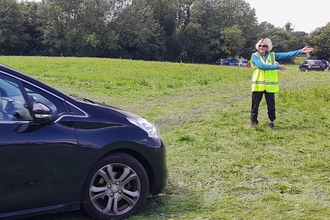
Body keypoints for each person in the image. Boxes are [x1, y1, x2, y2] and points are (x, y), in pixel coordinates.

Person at [250, 38, 313, 130]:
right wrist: (277, 66)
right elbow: (261, 66)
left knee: (271, 106)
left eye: (264, 46)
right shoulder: (254, 56)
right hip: (258, 85)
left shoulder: (272, 55)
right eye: (260, 45)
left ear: (268, 47)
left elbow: (287, 54)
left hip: (270, 85)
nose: (261, 47)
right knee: (255, 105)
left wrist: (300, 51)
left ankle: (271, 122)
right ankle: (254, 122)